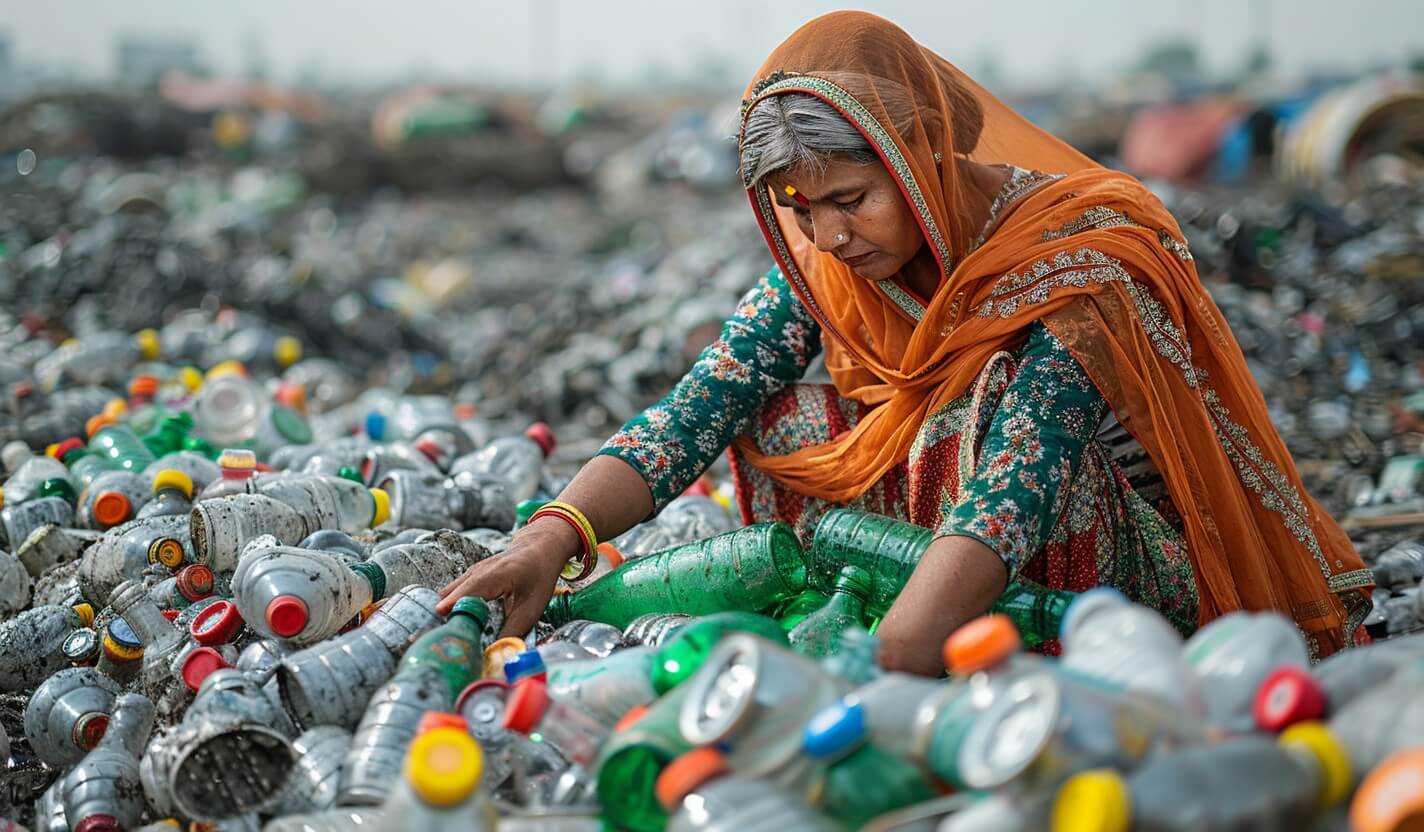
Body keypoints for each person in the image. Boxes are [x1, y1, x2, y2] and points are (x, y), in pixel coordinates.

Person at [438, 11, 1374, 675]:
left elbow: (1023, 475)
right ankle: (876, 596)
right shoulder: (836, 267)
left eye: (851, 200)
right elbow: (701, 402)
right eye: (802, 213)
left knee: (985, 405)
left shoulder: (1075, 259)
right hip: (941, 557)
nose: (831, 239)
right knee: (783, 409)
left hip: (1116, 570)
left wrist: (890, 664)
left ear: (920, 159)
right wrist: (549, 540)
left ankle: (949, 627)